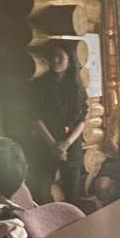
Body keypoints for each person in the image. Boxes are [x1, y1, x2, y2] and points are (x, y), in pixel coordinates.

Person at [27, 43, 89, 204]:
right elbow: (35, 117)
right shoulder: (39, 84)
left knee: (72, 194)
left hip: (71, 144)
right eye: (52, 56)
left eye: (60, 56)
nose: (55, 60)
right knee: (41, 191)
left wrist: (66, 144)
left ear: (69, 59)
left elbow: (82, 119)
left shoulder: (77, 87)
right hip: (46, 143)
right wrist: (53, 145)